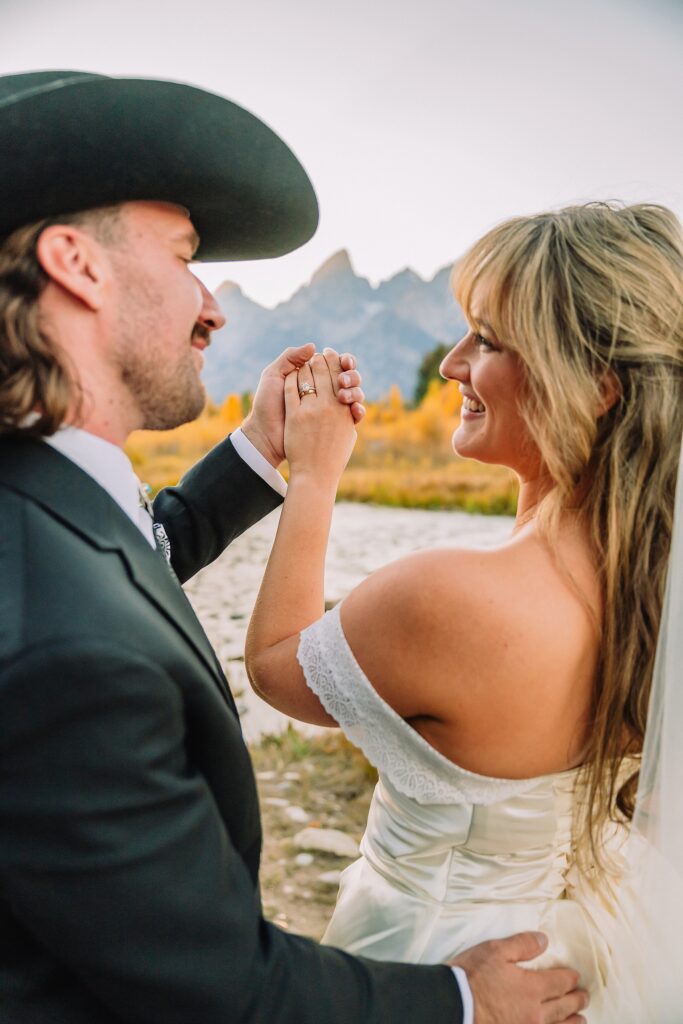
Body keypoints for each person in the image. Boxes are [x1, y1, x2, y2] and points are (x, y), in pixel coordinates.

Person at [0, 70, 587, 1024]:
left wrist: (262, 460)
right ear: (78, 264)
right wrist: (460, 1002)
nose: (215, 306)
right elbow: (214, 990)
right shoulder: (65, 650)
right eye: (187, 257)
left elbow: (118, 551)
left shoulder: (35, 500)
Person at [246, 202, 683, 1021]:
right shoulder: (657, 596)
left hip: (434, 967)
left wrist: (312, 474)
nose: (449, 364)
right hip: (585, 964)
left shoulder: (454, 599)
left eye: (487, 340)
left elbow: (275, 664)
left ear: (595, 389)